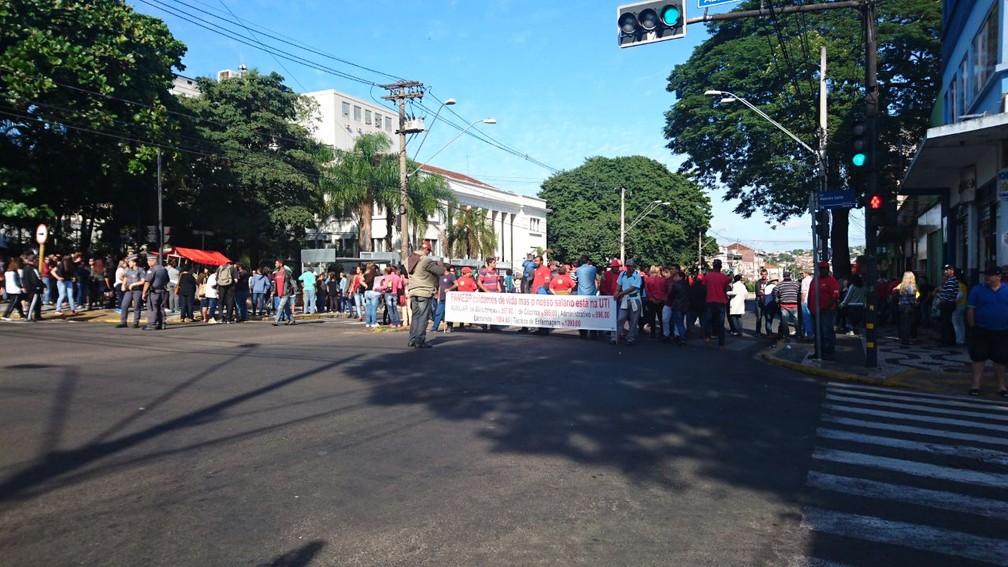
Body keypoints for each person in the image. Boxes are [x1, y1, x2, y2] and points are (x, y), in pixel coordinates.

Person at [966, 266, 1008, 397]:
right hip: (981, 330)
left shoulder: (1006, 289)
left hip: (1002, 331)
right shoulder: (978, 289)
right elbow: (971, 309)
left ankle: (1002, 386)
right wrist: (973, 327)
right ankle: (975, 385)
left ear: (998, 276)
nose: (987, 278)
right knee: (978, 357)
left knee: (1000, 359)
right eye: (986, 275)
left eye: (990, 275)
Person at [406, 241, 445, 348]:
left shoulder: (409, 259)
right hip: (424, 291)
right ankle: (420, 340)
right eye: (428, 251)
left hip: (413, 291)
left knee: (415, 317)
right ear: (426, 249)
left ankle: (412, 339)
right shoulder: (425, 260)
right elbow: (440, 271)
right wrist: (441, 266)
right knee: (423, 317)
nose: (429, 253)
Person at [808, 261, 841, 360]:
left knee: (827, 332)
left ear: (828, 269)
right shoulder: (814, 281)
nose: (823, 270)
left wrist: (825, 307)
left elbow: (835, 297)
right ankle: (818, 352)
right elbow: (810, 294)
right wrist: (810, 306)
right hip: (815, 312)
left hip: (827, 312)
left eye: (825, 269)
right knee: (817, 333)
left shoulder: (832, 281)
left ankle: (829, 353)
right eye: (821, 269)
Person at [703, 259, 731, 349]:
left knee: (708, 320)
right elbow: (725, 289)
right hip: (720, 301)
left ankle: (708, 337)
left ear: (713, 266)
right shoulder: (725, 277)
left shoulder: (707, 276)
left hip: (709, 300)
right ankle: (721, 344)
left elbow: (704, 287)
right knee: (720, 323)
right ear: (721, 267)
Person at [117, 256, 146, 328]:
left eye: (130, 262)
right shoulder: (128, 270)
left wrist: (133, 284)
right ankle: (123, 322)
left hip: (137, 290)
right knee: (124, 305)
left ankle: (136, 322)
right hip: (129, 290)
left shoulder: (140, 270)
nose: (128, 263)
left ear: (134, 263)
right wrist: (123, 285)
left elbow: (143, 281)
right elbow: (125, 278)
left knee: (136, 306)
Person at [141, 255, 169, 331]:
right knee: (161, 308)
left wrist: (144, 293)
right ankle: (162, 323)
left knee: (152, 308)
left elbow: (147, 282)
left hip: (154, 291)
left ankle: (151, 324)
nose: (148, 262)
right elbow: (167, 280)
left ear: (154, 261)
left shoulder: (152, 270)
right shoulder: (163, 269)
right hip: (162, 290)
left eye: (149, 261)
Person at [575, 255, 598, 339]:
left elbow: (577, 280)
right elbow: (595, 278)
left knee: (582, 315)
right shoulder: (593, 268)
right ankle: (593, 333)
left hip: (581, 295)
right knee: (593, 315)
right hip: (591, 295)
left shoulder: (578, 270)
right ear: (588, 261)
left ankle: (583, 333)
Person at [892, 271, 918, 346]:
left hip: (902, 306)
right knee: (908, 324)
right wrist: (915, 304)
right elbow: (912, 299)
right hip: (908, 307)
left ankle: (903, 339)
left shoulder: (902, 286)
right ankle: (906, 340)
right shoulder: (910, 286)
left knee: (903, 324)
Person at [936, 264, 959, 346]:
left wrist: (942, 300)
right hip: (947, 303)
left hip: (947, 303)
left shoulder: (952, 281)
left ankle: (947, 341)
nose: (945, 271)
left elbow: (948, 293)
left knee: (946, 323)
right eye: (944, 270)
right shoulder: (949, 280)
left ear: (952, 270)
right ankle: (948, 339)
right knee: (946, 323)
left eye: (947, 270)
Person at [271, 258, 297, 326]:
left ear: (281, 264)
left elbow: (291, 280)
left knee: (280, 307)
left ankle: (276, 320)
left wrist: (295, 288)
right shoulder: (276, 273)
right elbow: (275, 283)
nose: (275, 264)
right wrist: (274, 290)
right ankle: (292, 320)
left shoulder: (286, 272)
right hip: (279, 292)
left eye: (276, 263)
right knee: (286, 307)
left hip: (286, 292)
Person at [432, 266, 457, 334]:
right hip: (442, 298)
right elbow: (440, 286)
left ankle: (449, 327)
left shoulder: (451, 276)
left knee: (449, 313)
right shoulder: (441, 276)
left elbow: (456, 284)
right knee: (438, 313)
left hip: (449, 298)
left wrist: (449, 289)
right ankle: (435, 327)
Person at [754, 267, 770, 335]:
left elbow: (770, 291)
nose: (764, 275)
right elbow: (758, 292)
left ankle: (768, 332)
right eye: (762, 274)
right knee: (759, 317)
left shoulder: (769, 283)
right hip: (759, 302)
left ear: (767, 275)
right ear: (761, 274)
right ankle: (758, 331)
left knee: (767, 317)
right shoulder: (758, 282)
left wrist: (763, 291)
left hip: (767, 302)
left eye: (765, 274)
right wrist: (765, 291)